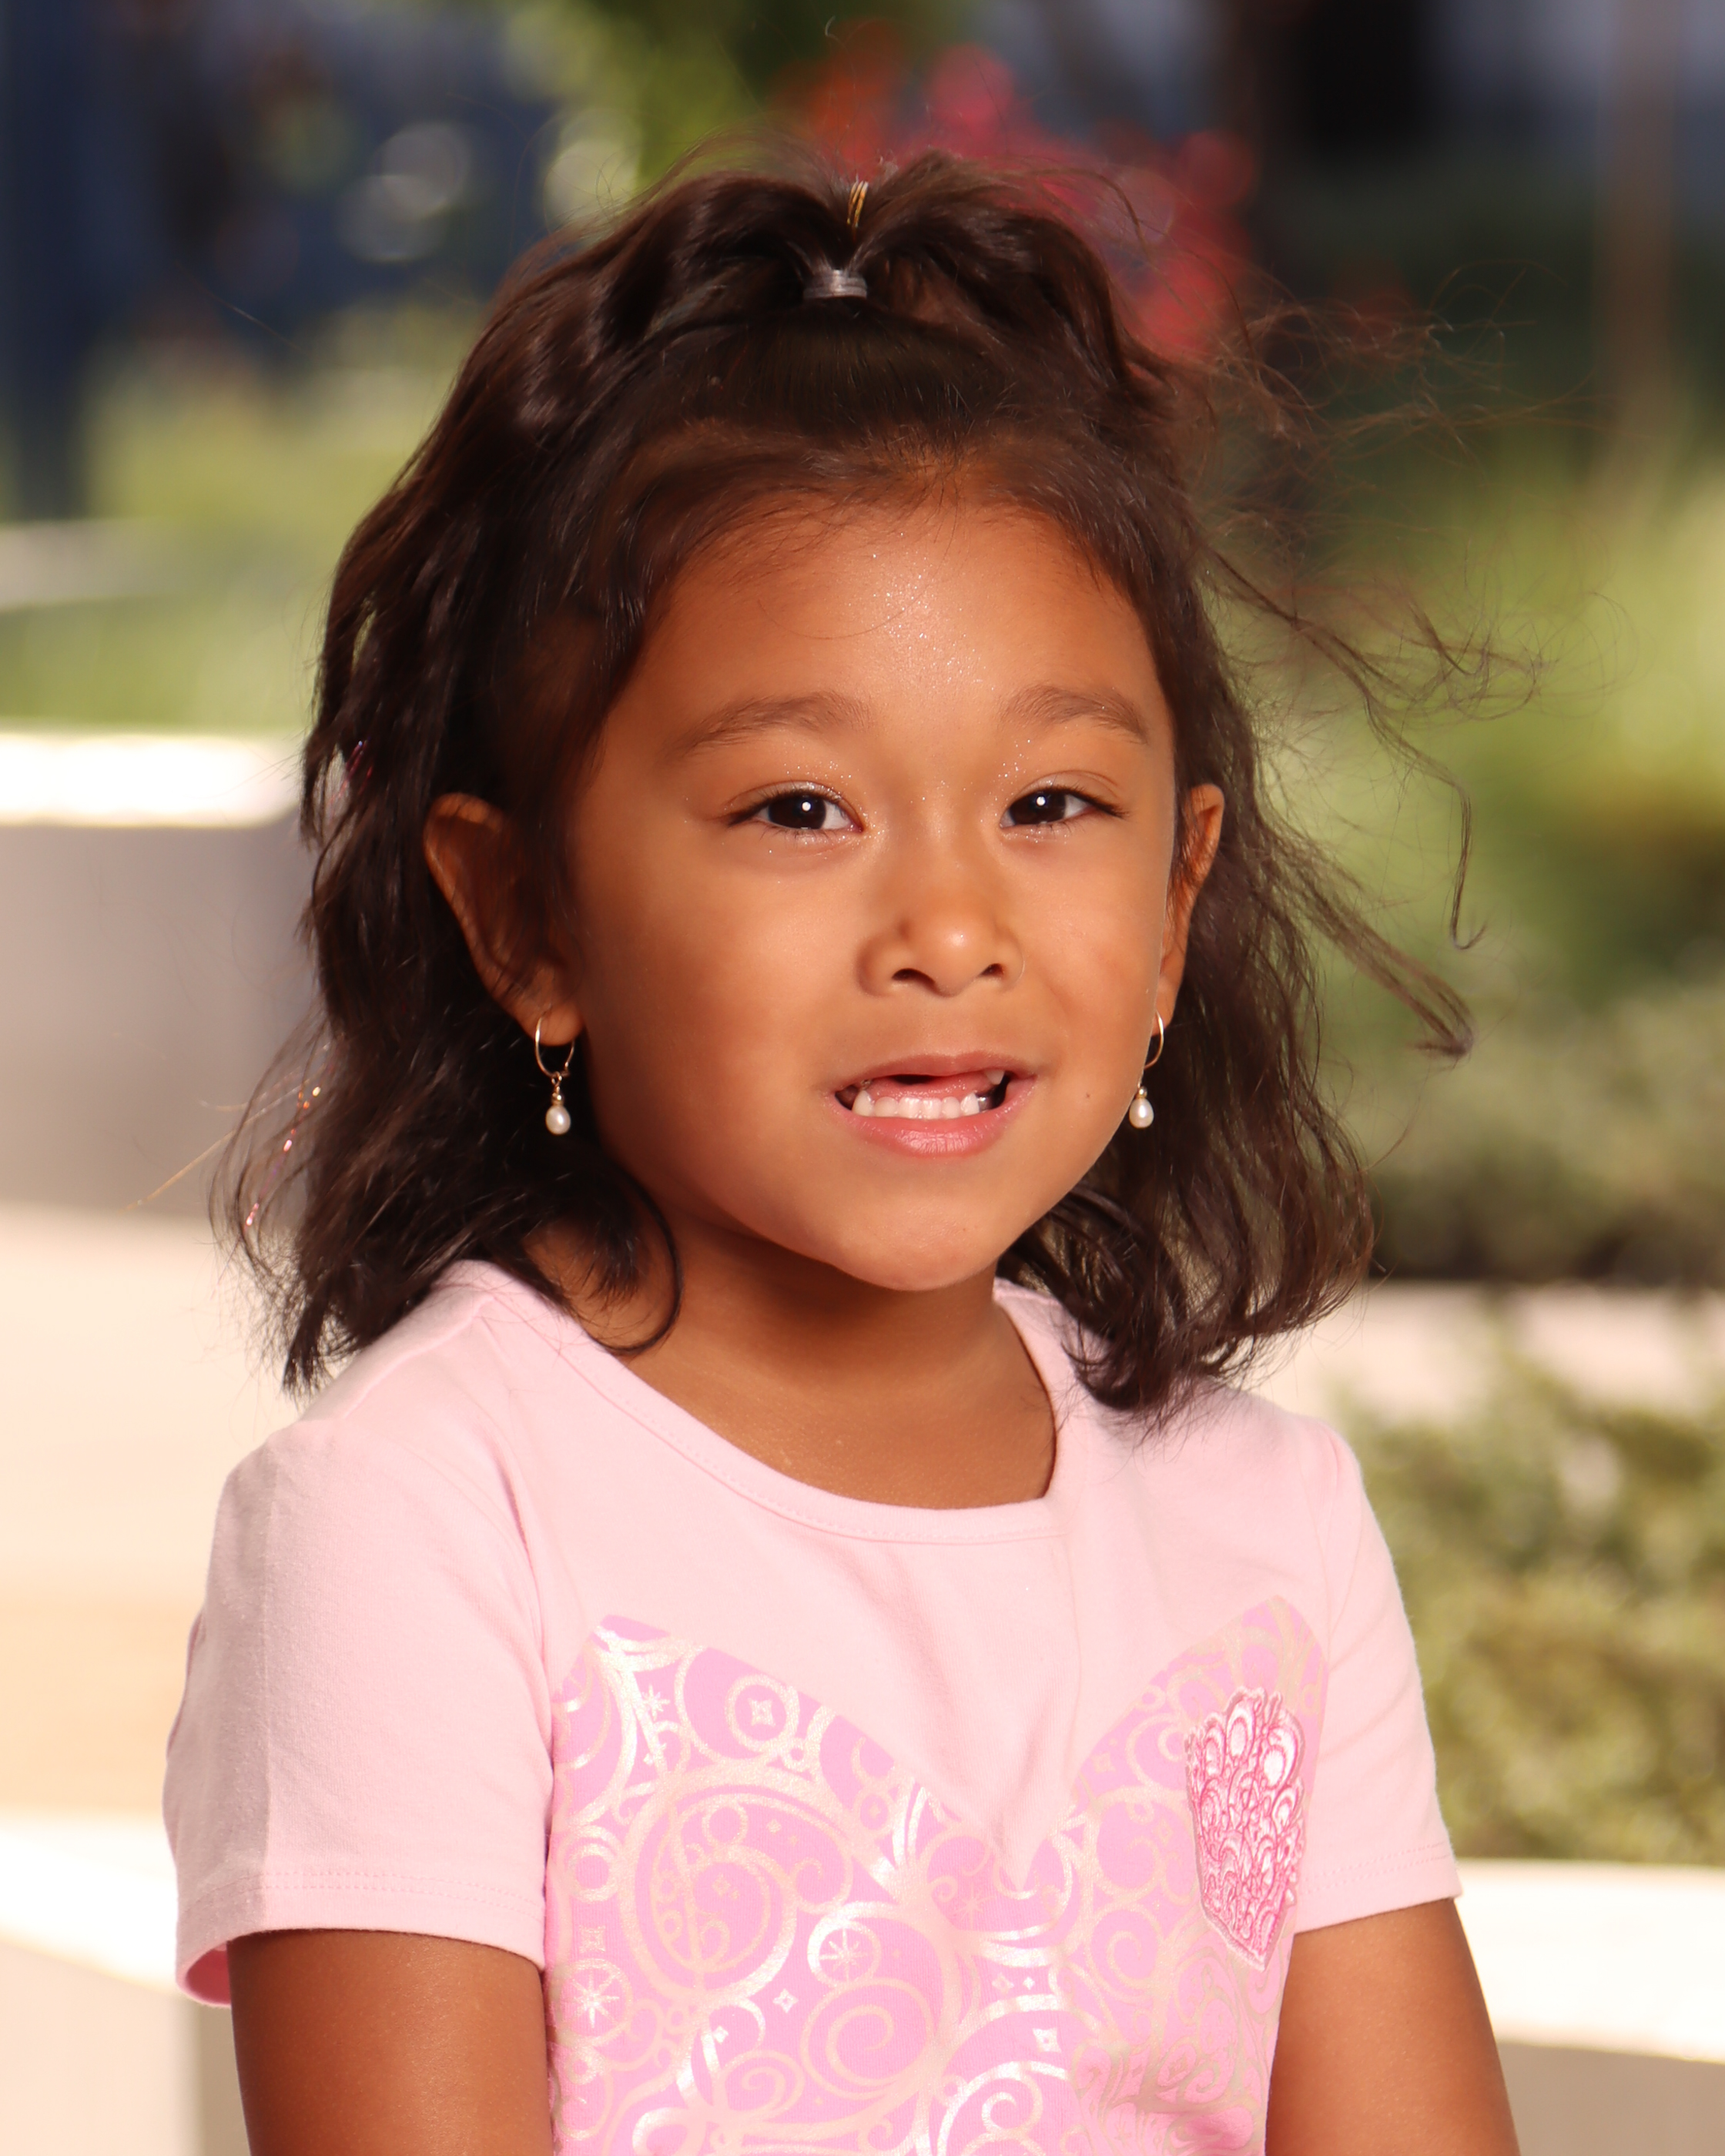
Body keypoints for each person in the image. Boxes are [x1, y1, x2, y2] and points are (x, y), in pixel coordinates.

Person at [166, 153, 1519, 2155]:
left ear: (1177, 902)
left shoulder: (1270, 1531)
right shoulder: (425, 1522)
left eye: (1051, 804)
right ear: (524, 915)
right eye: (800, 810)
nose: (948, 930)